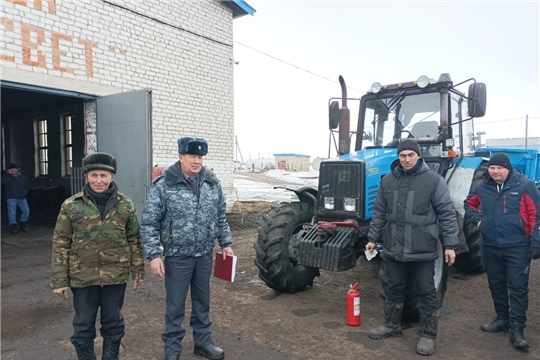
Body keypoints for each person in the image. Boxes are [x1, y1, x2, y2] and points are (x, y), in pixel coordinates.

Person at [140, 136, 233, 360]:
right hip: (177, 257)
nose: (197, 161)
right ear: (181, 156)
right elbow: (150, 222)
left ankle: (203, 342)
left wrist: (226, 243)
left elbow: (220, 216)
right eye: (192, 156)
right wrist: (154, 255)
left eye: (200, 157)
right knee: (175, 306)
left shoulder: (212, 184)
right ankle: (172, 351)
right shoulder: (165, 186)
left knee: (202, 302)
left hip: (203, 255)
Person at [365, 139, 458, 356]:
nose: (406, 159)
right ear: (398, 157)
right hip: (394, 246)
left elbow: (446, 214)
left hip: (422, 247)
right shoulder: (387, 181)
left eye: (410, 155)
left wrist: (451, 245)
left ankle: (428, 334)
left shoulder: (434, 181)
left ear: (418, 156)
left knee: (426, 291)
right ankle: (391, 325)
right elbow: (379, 213)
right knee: (393, 287)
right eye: (402, 155)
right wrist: (372, 238)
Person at [50, 152, 145, 360]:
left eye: (104, 175)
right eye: (94, 175)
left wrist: (138, 269)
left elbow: (134, 239)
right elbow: (61, 242)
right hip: (82, 277)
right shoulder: (71, 205)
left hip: (115, 276)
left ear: (112, 177)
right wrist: (59, 280)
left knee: (113, 322)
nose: (99, 180)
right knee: (83, 325)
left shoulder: (125, 205)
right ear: (86, 177)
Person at [464, 152, 540, 351]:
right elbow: (469, 204)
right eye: (492, 168)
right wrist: (479, 221)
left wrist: (535, 242)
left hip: (517, 246)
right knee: (496, 284)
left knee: (517, 287)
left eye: (499, 168)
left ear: (508, 168)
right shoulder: (482, 187)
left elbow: (536, 215)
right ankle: (502, 319)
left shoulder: (524, 186)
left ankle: (517, 328)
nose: (495, 171)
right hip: (491, 245)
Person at [2, 163, 30, 234]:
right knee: (12, 213)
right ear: (9, 170)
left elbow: (26, 185)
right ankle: (13, 226)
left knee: (26, 211)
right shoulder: (6, 177)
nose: (14, 170)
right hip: (11, 198)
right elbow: (3, 182)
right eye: (12, 169)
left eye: (15, 169)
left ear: (17, 169)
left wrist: (25, 193)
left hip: (22, 197)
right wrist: (9, 175)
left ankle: (22, 223)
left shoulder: (22, 176)